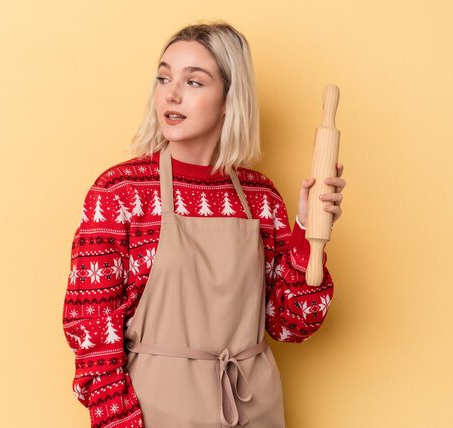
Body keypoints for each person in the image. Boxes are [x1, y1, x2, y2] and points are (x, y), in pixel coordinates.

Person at [62, 21, 345, 428]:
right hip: (157, 413)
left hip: (254, 408)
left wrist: (308, 230)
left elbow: (293, 323)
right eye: (163, 78)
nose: (171, 94)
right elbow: (88, 328)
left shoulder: (259, 197)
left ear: (230, 99)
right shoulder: (121, 193)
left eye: (193, 82)